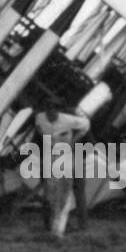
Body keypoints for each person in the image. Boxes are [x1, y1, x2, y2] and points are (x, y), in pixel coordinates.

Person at [33, 100, 90, 238]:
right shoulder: (40, 118)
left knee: (76, 190)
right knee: (50, 192)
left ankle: (80, 224)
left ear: (57, 111)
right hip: (52, 157)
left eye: (53, 110)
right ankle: (50, 224)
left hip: (71, 156)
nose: (50, 113)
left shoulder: (68, 120)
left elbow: (86, 124)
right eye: (48, 110)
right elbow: (38, 127)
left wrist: (74, 140)